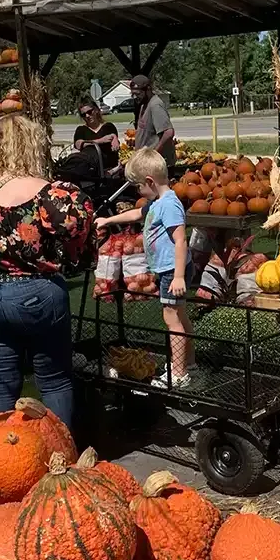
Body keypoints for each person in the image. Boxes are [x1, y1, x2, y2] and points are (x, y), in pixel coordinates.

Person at [0, 114, 94, 427]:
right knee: (54, 381)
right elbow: (78, 230)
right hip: (37, 291)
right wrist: (68, 260)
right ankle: (60, 457)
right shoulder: (47, 192)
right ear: (33, 146)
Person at [96, 147, 195, 389]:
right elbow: (135, 214)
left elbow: (181, 240)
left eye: (138, 186)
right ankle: (188, 363)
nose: (137, 191)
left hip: (174, 270)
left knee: (171, 318)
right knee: (180, 316)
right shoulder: (156, 203)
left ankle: (179, 373)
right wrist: (108, 220)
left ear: (149, 181)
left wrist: (179, 276)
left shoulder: (169, 205)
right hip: (169, 270)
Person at [130, 74, 176, 173]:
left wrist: (155, 152)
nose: (135, 97)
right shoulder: (144, 104)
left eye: (138, 94)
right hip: (147, 162)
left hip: (156, 165)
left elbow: (168, 132)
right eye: (133, 94)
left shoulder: (155, 105)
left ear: (148, 89)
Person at [73, 96, 120, 173]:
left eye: (89, 112)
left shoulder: (108, 126)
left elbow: (114, 138)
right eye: (83, 114)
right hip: (90, 169)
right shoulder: (81, 129)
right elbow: (78, 144)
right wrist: (100, 141)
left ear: (96, 110)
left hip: (110, 168)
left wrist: (114, 138)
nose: (87, 116)